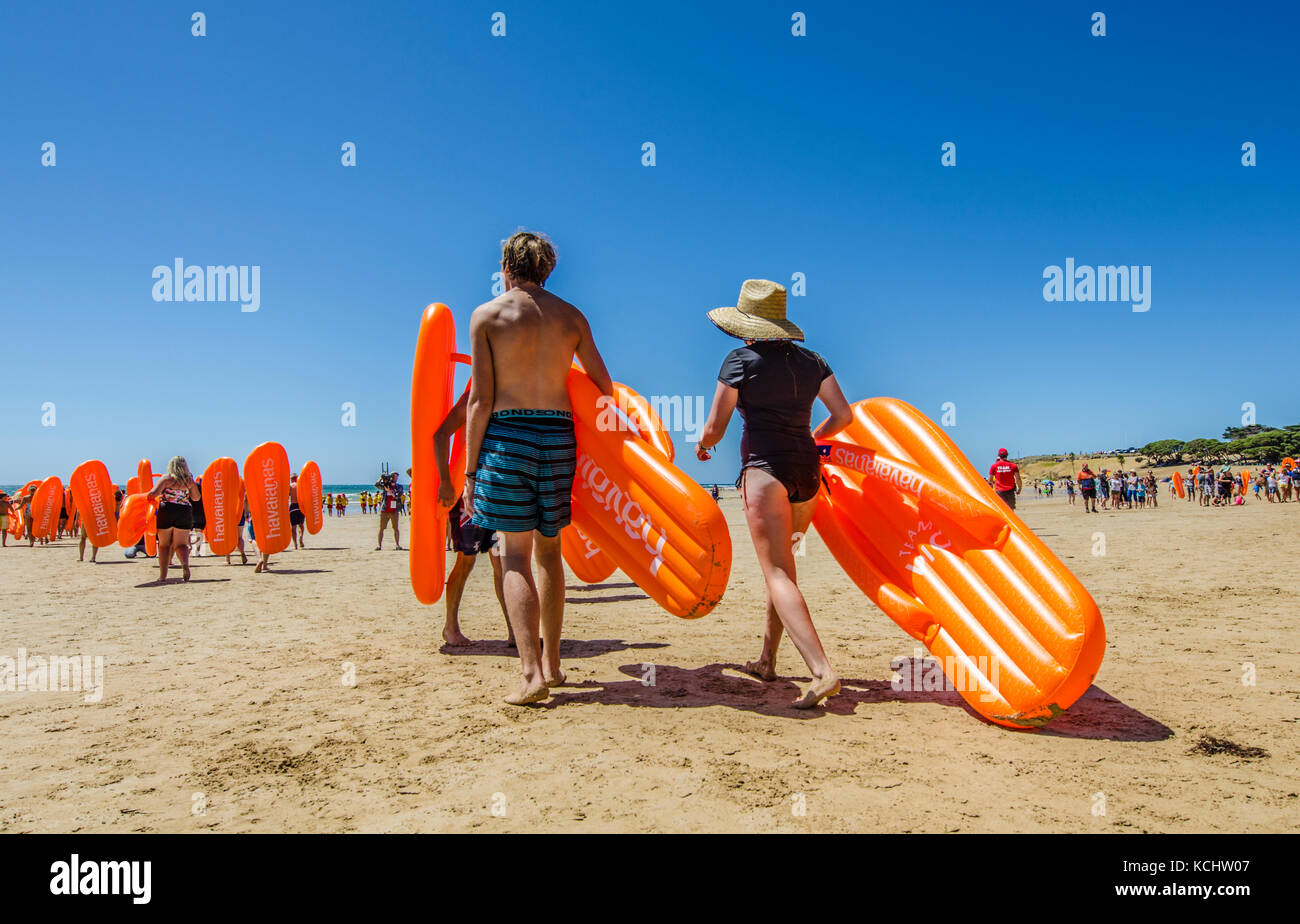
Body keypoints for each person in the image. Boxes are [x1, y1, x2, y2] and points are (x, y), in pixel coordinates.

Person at [463, 230, 612, 705]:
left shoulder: (487, 316)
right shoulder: (572, 317)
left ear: (506, 266)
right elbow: (602, 385)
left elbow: (480, 401)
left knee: (514, 556)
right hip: (558, 437)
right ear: (548, 270)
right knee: (550, 554)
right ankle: (553, 664)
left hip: (507, 437)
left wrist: (469, 472)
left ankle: (531, 675)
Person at [697, 278, 852, 709]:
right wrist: (812, 438)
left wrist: (704, 445)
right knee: (783, 569)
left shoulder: (739, 360)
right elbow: (843, 415)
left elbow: (715, 428)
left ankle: (822, 672)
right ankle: (767, 660)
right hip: (807, 473)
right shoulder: (813, 361)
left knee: (777, 572)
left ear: (746, 322)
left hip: (766, 472)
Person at [434, 391, 513, 647]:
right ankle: (451, 627)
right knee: (465, 562)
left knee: (503, 563)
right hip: (467, 495)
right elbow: (440, 435)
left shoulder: (512, 393)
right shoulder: (473, 397)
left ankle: (515, 631)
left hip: (498, 492)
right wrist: (446, 481)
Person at [146, 456, 201, 582]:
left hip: (167, 510)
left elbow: (152, 494)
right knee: (181, 544)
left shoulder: (166, 479)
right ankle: (185, 565)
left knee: (164, 545)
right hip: (184, 511)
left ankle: (163, 576)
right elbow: (197, 498)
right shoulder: (189, 481)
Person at [375, 475, 403, 550]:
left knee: (395, 528)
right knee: (381, 528)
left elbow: (397, 496)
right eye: (393, 476)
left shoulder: (399, 487)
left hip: (394, 510)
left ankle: (397, 545)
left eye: (396, 477)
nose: (394, 478)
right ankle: (379, 545)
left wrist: (389, 491)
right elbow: (377, 485)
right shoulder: (386, 486)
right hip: (385, 510)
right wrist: (381, 478)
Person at [288, 473, 306, 549]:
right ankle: (301, 538)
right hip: (301, 506)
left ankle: (295, 544)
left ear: (291, 479)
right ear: (297, 478)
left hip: (293, 507)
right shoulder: (301, 485)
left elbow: (287, 495)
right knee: (301, 525)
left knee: (293, 527)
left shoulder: (290, 486)